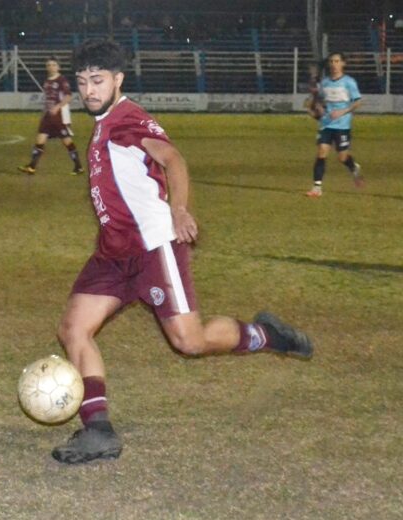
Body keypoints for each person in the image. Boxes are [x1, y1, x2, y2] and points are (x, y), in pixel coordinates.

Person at [51, 39, 313, 465]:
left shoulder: (128, 118)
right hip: (113, 253)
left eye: (97, 81)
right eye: (82, 82)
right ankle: (98, 430)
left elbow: (173, 158)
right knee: (72, 329)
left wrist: (179, 209)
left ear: (118, 80)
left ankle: (267, 335)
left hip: (153, 247)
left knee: (189, 342)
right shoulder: (102, 123)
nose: (89, 90)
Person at [306, 52, 364, 198]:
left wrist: (343, 111)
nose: (334, 64)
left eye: (337, 61)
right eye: (332, 61)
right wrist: (315, 107)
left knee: (342, 157)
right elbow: (319, 101)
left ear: (343, 64)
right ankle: (317, 187)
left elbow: (357, 102)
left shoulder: (349, 82)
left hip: (342, 125)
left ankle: (353, 167)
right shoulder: (325, 82)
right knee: (321, 152)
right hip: (326, 124)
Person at [18, 56, 85, 176]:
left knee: (66, 141)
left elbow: (68, 96)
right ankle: (32, 166)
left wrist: (57, 107)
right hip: (48, 115)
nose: (51, 67)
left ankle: (78, 166)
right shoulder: (47, 81)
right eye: (48, 65)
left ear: (58, 67)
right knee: (40, 139)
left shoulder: (61, 80)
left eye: (53, 65)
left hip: (59, 115)